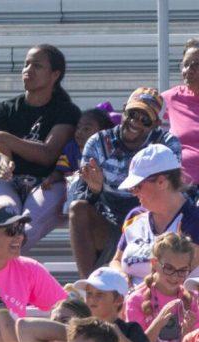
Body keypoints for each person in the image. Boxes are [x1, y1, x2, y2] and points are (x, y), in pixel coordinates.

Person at [0, 45, 80, 250]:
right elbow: (1, 151)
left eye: (37, 66)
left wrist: (4, 137)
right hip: (10, 183)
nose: (28, 70)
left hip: (48, 185)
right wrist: (3, 162)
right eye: (26, 64)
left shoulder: (66, 111)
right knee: (2, 216)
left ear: (55, 75)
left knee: (26, 226)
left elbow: (47, 155)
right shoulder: (4, 109)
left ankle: (1, 272)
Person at [68, 87, 182, 276]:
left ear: (155, 124)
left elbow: (170, 189)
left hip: (151, 217)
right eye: (132, 113)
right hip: (110, 219)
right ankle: (89, 287)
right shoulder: (98, 142)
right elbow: (78, 192)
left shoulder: (167, 143)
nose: (135, 121)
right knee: (78, 209)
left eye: (144, 118)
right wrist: (94, 191)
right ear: (123, 111)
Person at [0, 204, 66, 319]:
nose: (20, 236)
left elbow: (70, 309)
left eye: (20, 229)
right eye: (11, 230)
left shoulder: (29, 268)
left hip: (13, 336)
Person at [112, 146, 199, 285]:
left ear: (161, 182)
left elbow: (182, 279)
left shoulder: (195, 221)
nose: (133, 193)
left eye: (137, 186)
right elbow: (116, 261)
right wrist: (120, 275)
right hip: (130, 302)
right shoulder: (135, 216)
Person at [124, 232, 199, 342]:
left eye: (182, 270)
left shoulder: (193, 298)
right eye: (169, 268)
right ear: (155, 263)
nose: (175, 276)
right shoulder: (136, 298)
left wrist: (187, 333)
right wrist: (158, 322)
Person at [75, 267, 158, 342]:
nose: (92, 299)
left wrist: (121, 339)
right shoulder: (80, 330)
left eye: (99, 294)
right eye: (89, 294)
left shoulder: (130, 330)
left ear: (118, 300)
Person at [162, 38, 199, 184]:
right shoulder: (171, 98)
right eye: (185, 65)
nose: (188, 70)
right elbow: (139, 115)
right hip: (182, 188)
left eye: (195, 65)